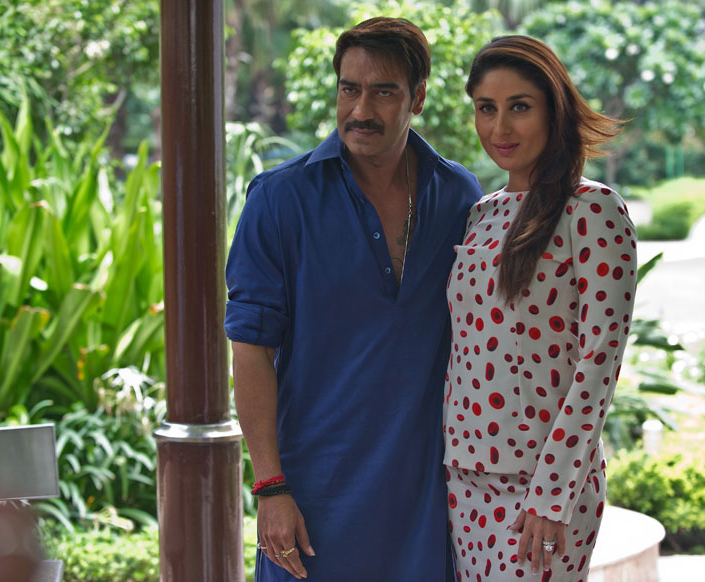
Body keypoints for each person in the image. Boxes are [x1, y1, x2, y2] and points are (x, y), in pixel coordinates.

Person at [224, 16, 483, 581]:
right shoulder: (277, 201)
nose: (361, 109)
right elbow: (249, 351)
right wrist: (269, 486)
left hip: (425, 501)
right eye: (350, 88)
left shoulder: (460, 196)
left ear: (417, 97)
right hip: (314, 500)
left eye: (383, 91)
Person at [443, 36, 637, 582]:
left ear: (554, 107)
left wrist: (552, 495)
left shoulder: (592, 209)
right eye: (487, 108)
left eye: (519, 107)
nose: (499, 129)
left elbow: (600, 359)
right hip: (464, 478)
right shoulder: (481, 213)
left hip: (541, 488)